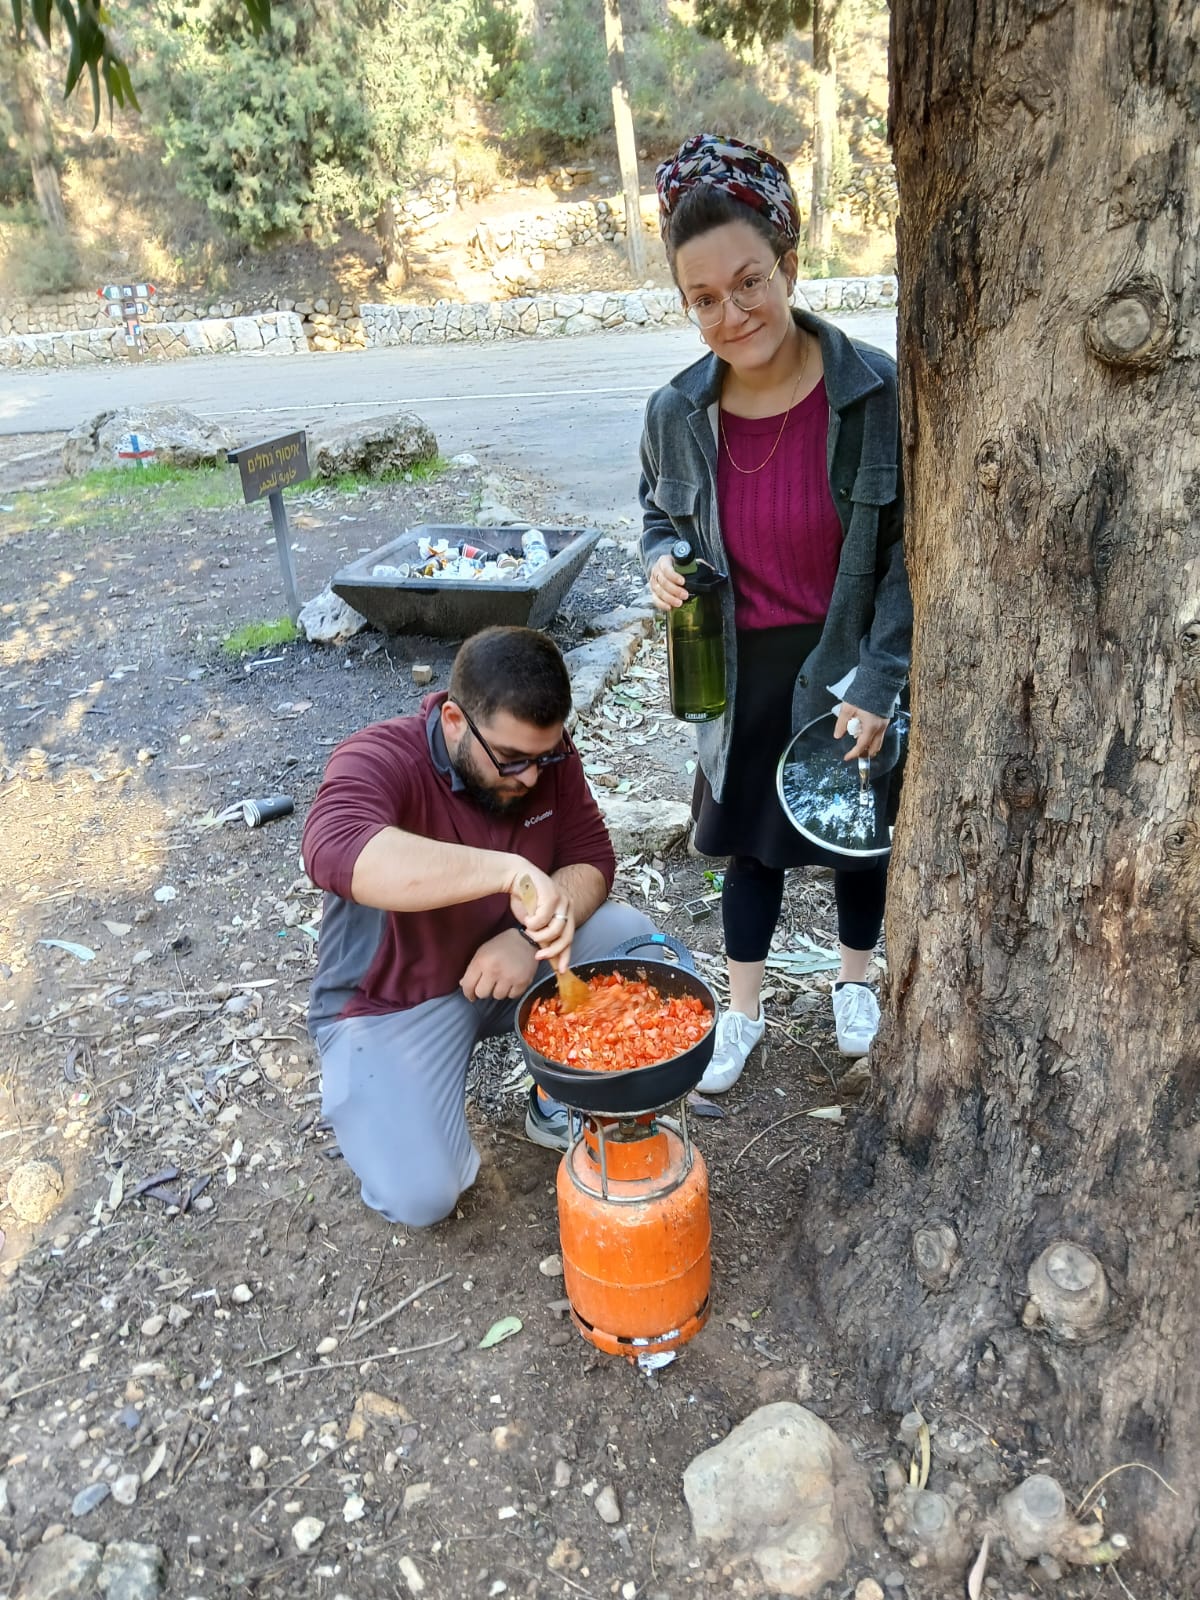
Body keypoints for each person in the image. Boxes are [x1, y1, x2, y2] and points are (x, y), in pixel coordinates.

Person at [640, 133, 912, 1093]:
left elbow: (909, 553)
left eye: (749, 282)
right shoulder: (675, 413)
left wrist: (880, 678)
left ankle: (854, 983)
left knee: (855, 836)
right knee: (747, 848)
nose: (731, 314)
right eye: (704, 298)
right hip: (739, 666)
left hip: (844, 661)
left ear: (789, 266)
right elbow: (656, 512)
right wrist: (660, 559)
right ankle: (743, 1010)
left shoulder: (873, 393)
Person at [301, 625, 655, 1228]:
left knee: (634, 945)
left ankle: (557, 1096)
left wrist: (526, 939)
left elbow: (592, 858)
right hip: (393, 1004)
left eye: (545, 757)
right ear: (454, 720)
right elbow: (334, 849)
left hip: (507, 967)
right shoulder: (380, 757)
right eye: (512, 760)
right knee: (422, 1197)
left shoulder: (542, 755)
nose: (532, 778)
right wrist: (506, 871)